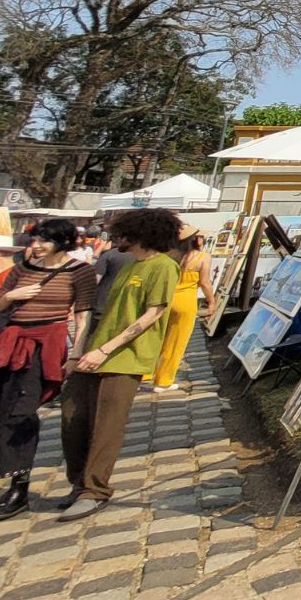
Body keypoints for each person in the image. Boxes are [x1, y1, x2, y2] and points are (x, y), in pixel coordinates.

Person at [0, 218, 97, 523]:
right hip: (3, 344)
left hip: (41, 346)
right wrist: (9, 297)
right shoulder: (21, 269)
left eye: (43, 240)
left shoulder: (79, 272)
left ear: (63, 241)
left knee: (17, 416)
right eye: (34, 240)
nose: (36, 246)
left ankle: (18, 489)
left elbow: (82, 316)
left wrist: (75, 353)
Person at [57, 208, 180, 522]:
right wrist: (79, 352)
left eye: (122, 233)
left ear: (139, 233)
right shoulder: (126, 266)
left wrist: (107, 349)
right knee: (73, 416)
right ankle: (79, 480)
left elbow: (152, 314)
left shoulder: (164, 267)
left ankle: (94, 489)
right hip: (95, 351)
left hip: (126, 355)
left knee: (106, 424)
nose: (115, 238)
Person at [149, 225, 216, 391]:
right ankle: (163, 380)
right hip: (185, 301)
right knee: (176, 342)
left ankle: (146, 373)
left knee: (156, 337)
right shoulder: (202, 257)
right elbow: (205, 282)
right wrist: (211, 301)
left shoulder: (167, 255)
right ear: (195, 239)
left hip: (164, 299)